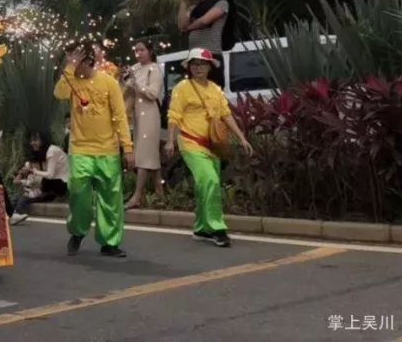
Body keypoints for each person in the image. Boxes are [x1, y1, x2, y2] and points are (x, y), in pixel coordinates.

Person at [165, 49, 253, 248]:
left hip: (213, 144)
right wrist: (170, 141)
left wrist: (241, 138)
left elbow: (226, 114)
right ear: (189, 67)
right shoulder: (183, 87)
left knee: (206, 184)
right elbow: (174, 115)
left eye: (203, 64)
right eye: (194, 64)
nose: (198, 67)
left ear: (209, 67)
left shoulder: (215, 89)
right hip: (190, 142)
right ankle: (217, 228)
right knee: (210, 180)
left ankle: (201, 228)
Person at [54, 43, 134, 258]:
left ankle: (110, 242)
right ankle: (78, 231)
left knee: (111, 198)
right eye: (70, 60)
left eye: (75, 60)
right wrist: (70, 68)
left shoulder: (109, 83)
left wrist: (127, 147)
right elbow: (59, 93)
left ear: (88, 61)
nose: (71, 64)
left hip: (107, 150)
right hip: (80, 149)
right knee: (79, 194)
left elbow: (119, 116)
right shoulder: (71, 82)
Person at [122, 41, 165, 209]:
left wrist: (135, 83)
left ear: (150, 51)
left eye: (142, 50)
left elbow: (153, 94)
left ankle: (137, 195)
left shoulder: (154, 69)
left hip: (150, 113)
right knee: (150, 154)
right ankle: (159, 192)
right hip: (137, 114)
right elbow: (127, 88)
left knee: (144, 155)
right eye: (136, 50)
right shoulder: (135, 68)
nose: (138, 53)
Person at [178, 0, 231, 86]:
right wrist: (184, 0)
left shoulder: (222, 3)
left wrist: (188, 29)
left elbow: (204, 21)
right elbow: (181, 24)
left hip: (211, 55)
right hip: (193, 56)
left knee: (213, 94)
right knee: (194, 95)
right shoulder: (194, 7)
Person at [9, 133, 69, 225]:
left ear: (43, 140)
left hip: (60, 184)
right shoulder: (44, 154)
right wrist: (23, 173)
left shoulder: (51, 151)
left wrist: (34, 171)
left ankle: (17, 213)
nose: (32, 143)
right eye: (32, 140)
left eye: (36, 140)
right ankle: (8, 214)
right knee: (17, 198)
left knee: (28, 195)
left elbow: (49, 175)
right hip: (49, 184)